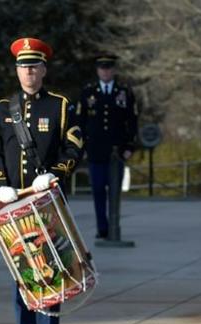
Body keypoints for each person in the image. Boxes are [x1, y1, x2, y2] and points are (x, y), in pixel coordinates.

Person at [0, 37, 84, 324]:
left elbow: (75, 145)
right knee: (21, 264)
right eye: (23, 66)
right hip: (15, 199)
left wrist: (56, 172)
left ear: (43, 69)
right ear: (16, 71)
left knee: (51, 262)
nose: (28, 72)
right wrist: (0, 183)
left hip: (46, 197)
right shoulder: (3, 108)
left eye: (34, 66)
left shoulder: (59, 105)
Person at [76, 53, 138, 239]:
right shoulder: (88, 92)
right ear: (97, 70)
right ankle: (102, 228)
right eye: (102, 68)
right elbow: (80, 121)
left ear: (114, 70)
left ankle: (113, 226)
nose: (105, 71)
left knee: (114, 191)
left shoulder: (124, 92)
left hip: (117, 152)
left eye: (109, 67)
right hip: (95, 151)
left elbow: (132, 121)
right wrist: (82, 148)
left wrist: (129, 147)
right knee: (97, 190)